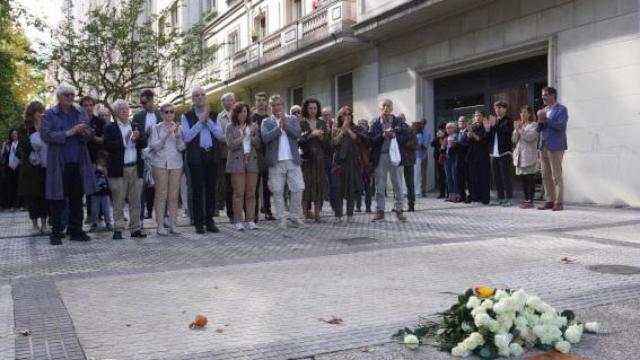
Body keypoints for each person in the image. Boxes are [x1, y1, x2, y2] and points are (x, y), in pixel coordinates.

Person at [41, 83, 96, 245]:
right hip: (59, 164)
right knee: (57, 200)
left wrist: (82, 132)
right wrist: (69, 132)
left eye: (72, 95)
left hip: (78, 162)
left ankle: (76, 231)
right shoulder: (49, 115)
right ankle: (56, 232)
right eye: (67, 95)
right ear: (59, 97)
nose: (71, 98)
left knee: (77, 199)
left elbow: (89, 134)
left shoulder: (79, 112)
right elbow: (46, 135)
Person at [103, 99, 147, 240]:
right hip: (118, 169)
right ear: (115, 112)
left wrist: (139, 138)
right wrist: (124, 140)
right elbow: (107, 145)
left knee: (136, 200)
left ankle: (135, 228)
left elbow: (144, 143)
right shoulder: (109, 128)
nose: (125, 111)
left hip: (135, 167)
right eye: (121, 109)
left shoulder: (136, 126)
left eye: (126, 109)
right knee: (118, 200)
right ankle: (118, 228)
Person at [182, 87, 223, 234]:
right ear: (193, 99)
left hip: (211, 155)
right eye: (196, 95)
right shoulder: (186, 116)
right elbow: (187, 137)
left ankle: (209, 221)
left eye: (202, 95)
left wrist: (208, 120)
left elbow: (219, 135)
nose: (200, 97)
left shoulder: (214, 115)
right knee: (197, 189)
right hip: (196, 156)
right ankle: (198, 222)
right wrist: (200, 122)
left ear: (205, 97)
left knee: (211, 189)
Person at [261, 94, 305, 229]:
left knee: (298, 188)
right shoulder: (266, 122)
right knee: (278, 191)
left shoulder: (292, 119)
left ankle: (294, 216)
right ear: (270, 107)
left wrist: (285, 125)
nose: (276, 107)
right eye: (273, 105)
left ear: (283, 105)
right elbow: (265, 138)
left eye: (278, 104)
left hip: (292, 159)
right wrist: (278, 128)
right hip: (276, 161)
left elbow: (298, 134)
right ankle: (281, 218)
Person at [148, 102, 186, 235]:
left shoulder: (178, 128)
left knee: (174, 196)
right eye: (166, 112)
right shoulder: (156, 128)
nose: (169, 114)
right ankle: (160, 226)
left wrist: (177, 137)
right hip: (160, 164)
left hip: (176, 164)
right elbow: (154, 146)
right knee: (161, 195)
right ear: (162, 114)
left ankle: (173, 225)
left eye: (171, 111)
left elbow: (181, 148)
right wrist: (165, 135)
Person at [368, 99, 408, 222]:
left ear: (392, 108)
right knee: (380, 185)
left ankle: (399, 210)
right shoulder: (374, 122)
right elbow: (371, 140)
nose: (386, 107)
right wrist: (382, 136)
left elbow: (405, 138)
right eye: (383, 105)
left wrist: (394, 135)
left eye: (388, 105)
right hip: (381, 156)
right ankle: (380, 211)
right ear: (380, 107)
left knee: (398, 185)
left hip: (395, 157)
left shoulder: (398, 122)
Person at [226, 102, 261, 230]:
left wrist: (251, 135)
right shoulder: (230, 127)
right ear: (236, 113)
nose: (243, 114)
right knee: (238, 193)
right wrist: (243, 137)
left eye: (246, 112)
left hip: (251, 161)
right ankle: (238, 220)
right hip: (236, 163)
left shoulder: (253, 126)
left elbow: (258, 144)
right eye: (241, 112)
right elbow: (230, 145)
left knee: (251, 192)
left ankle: (250, 220)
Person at [332, 106, 370, 222]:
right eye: (344, 114)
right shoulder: (335, 128)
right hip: (339, 163)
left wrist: (348, 129)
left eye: (349, 114)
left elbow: (359, 140)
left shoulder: (356, 128)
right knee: (338, 189)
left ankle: (350, 214)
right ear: (340, 116)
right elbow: (334, 143)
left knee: (351, 189)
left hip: (353, 162)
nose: (347, 116)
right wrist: (343, 130)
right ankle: (338, 215)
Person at [18, 101, 48, 234]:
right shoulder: (24, 128)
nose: (40, 115)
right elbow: (25, 146)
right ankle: (35, 225)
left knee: (44, 196)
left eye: (42, 112)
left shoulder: (46, 126)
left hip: (44, 166)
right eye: (38, 112)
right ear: (32, 113)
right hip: (30, 169)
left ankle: (44, 224)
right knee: (33, 197)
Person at [537, 87, 568, 211]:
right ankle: (549, 200)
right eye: (542, 95)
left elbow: (560, 126)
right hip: (543, 146)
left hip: (555, 146)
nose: (543, 97)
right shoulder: (544, 110)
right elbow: (538, 129)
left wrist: (546, 119)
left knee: (556, 176)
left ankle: (559, 202)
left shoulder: (561, 109)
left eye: (545, 95)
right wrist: (539, 121)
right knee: (545, 175)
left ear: (552, 95)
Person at [133, 89, 161, 221]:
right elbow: (137, 138)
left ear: (151, 100)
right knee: (142, 188)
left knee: (160, 187)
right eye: (141, 103)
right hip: (143, 156)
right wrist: (147, 134)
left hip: (160, 155)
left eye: (144, 102)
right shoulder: (138, 117)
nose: (142, 105)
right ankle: (140, 218)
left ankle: (161, 217)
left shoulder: (161, 114)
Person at [299, 98, 328, 222]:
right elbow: (299, 141)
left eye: (315, 108)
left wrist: (322, 138)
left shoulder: (322, 123)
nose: (313, 111)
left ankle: (317, 215)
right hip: (306, 158)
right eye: (310, 108)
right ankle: (305, 214)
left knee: (318, 184)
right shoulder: (302, 123)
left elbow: (327, 143)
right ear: (306, 109)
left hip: (319, 158)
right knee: (306, 184)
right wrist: (311, 135)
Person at [251, 91, 275, 221]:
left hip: (268, 153)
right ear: (255, 102)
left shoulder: (270, 118)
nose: (261, 103)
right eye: (258, 100)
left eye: (263, 100)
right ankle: (253, 213)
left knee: (267, 185)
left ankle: (267, 210)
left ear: (266, 102)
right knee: (254, 185)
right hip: (255, 155)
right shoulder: (252, 118)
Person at [512, 105, 540, 209]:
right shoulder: (520, 125)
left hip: (529, 156)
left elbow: (529, 137)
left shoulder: (534, 125)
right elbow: (514, 140)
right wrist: (516, 130)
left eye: (525, 112)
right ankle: (525, 199)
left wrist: (519, 129)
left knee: (530, 179)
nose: (522, 114)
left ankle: (531, 201)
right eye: (521, 112)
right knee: (523, 180)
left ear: (529, 114)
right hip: (519, 157)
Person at [488, 100, 515, 206]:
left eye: (500, 108)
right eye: (496, 108)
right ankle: (500, 198)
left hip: (504, 152)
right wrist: (488, 129)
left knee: (505, 176)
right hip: (493, 153)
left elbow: (506, 134)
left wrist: (494, 125)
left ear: (505, 109)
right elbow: (490, 136)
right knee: (496, 177)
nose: (497, 110)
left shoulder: (508, 121)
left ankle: (509, 198)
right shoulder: (494, 122)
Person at [216, 92, 235, 221]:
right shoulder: (219, 117)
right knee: (227, 185)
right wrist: (233, 139)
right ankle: (230, 213)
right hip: (225, 155)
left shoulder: (239, 114)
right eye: (227, 100)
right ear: (223, 103)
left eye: (232, 100)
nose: (230, 102)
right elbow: (218, 136)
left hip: (239, 155)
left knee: (238, 185)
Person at [467, 110, 491, 205]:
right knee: (474, 178)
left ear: (483, 117)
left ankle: (484, 199)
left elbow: (483, 140)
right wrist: (469, 136)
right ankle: (475, 198)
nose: (477, 117)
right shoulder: (473, 127)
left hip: (483, 156)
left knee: (483, 178)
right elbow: (470, 142)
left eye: (479, 115)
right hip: (473, 156)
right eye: (476, 115)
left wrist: (472, 134)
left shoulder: (485, 127)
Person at [398, 114, 418, 211]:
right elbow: (415, 144)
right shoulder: (411, 130)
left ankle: (398, 205)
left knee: (398, 183)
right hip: (409, 159)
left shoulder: (397, 129)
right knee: (410, 183)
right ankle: (411, 204)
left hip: (399, 160)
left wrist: (403, 144)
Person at [89, 150, 112, 231]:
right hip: (95, 192)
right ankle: (94, 223)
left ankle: (108, 222)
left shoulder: (106, 168)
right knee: (94, 209)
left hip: (105, 192)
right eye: (101, 161)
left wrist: (105, 173)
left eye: (104, 161)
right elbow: (91, 178)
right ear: (97, 160)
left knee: (106, 209)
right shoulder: (93, 167)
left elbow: (109, 180)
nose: (103, 163)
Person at [356, 119, 374, 213]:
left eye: (363, 124)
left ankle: (368, 207)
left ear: (367, 127)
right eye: (359, 124)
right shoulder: (355, 136)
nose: (361, 126)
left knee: (368, 187)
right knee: (358, 187)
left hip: (367, 165)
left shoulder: (369, 136)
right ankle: (358, 206)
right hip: (358, 164)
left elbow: (369, 143)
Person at [321, 106, 337, 211]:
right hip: (323, 158)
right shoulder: (320, 125)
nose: (327, 117)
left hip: (334, 158)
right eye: (325, 115)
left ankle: (334, 206)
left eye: (328, 114)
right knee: (323, 182)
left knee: (333, 183)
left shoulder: (335, 125)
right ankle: (320, 206)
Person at [1, 129, 20, 211]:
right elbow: (4, 155)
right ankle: (11, 204)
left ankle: (19, 204)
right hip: (9, 167)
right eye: (13, 134)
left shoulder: (21, 143)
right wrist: (4, 148)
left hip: (19, 167)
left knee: (19, 186)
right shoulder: (8, 144)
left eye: (16, 134)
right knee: (10, 186)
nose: (14, 135)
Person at [456, 116, 471, 203]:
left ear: (466, 123)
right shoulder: (459, 133)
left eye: (462, 121)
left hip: (466, 159)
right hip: (459, 159)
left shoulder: (468, 132)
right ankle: (462, 196)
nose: (460, 123)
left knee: (467, 179)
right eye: (459, 121)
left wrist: (459, 144)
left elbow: (468, 144)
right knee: (459, 178)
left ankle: (469, 196)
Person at [431, 123, 447, 199]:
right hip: (438, 158)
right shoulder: (438, 135)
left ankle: (449, 192)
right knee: (441, 176)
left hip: (445, 157)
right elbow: (432, 144)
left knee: (446, 175)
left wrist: (442, 137)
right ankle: (442, 193)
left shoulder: (447, 134)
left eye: (441, 129)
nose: (440, 131)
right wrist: (438, 137)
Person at [444, 122, 459, 202]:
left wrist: (453, 144)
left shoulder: (456, 136)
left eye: (449, 127)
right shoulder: (447, 137)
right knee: (448, 177)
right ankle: (450, 194)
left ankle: (456, 194)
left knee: (454, 176)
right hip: (447, 158)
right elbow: (443, 148)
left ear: (454, 128)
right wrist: (444, 144)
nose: (448, 129)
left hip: (454, 158)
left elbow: (456, 147)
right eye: (447, 128)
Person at [419, 119, 431, 197]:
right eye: (421, 124)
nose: (422, 125)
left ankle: (423, 190)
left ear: (425, 124)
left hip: (423, 155)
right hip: (415, 155)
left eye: (423, 124)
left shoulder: (427, 133)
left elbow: (425, 145)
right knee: (416, 174)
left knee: (423, 174)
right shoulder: (416, 132)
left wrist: (419, 145)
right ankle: (416, 189)